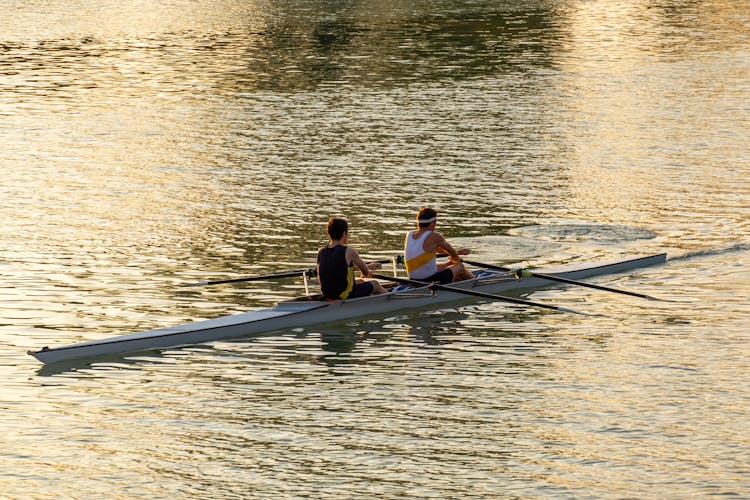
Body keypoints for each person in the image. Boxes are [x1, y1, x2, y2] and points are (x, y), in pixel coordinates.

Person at [317, 217, 387, 300]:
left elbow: (338, 268)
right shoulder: (349, 251)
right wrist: (368, 268)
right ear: (344, 233)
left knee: (360, 282)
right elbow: (365, 273)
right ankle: (392, 301)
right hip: (343, 295)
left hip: (327, 294)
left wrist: (370, 266)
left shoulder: (321, 251)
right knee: (375, 284)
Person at [404, 207, 473, 283]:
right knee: (460, 266)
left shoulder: (409, 234)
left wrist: (457, 252)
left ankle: (460, 281)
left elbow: (438, 249)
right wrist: (456, 258)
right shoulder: (435, 236)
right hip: (430, 280)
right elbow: (451, 252)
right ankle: (475, 282)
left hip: (414, 280)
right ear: (433, 222)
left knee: (449, 264)